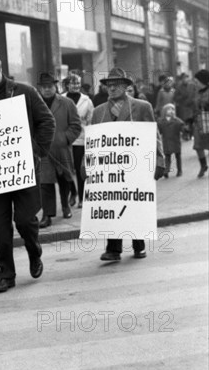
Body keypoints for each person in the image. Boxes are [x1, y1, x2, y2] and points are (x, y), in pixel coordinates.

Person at [0, 51, 55, 292]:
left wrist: (35, 151)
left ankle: (34, 252)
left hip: (24, 171)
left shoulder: (24, 91)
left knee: (25, 221)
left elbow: (47, 122)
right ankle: (6, 274)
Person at [92, 68, 164, 262]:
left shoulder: (142, 107)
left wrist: (159, 160)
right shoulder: (98, 112)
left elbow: (153, 136)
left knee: (134, 204)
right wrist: (86, 165)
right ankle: (113, 249)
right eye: (109, 85)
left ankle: (138, 245)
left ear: (126, 87)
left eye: (116, 85)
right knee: (112, 205)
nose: (112, 88)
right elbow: (93, 143)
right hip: (110, 169)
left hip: (136, 166)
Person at [37, 73, 82, 228]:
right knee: (45, 183)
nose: (47, 90)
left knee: (64, 179)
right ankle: (47, 215)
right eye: (44, 87)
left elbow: (76, 125)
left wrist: (65, 139)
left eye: (50, 87)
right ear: (40, 89)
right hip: (43, 152)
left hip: (62, 150)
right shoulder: (35, 104)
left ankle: (65, 206)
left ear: (55, 87)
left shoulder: (67, 103)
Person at [65, 72, 93, 209]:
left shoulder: (87, 100)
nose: (75, 86)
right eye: (72, 83)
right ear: (67, 84)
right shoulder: (61, 98)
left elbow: (90, 120)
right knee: (66, 169)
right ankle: (73, 192)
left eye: (77, 83)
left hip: (81, 140)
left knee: (80, 168)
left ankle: (82, 197)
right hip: (65, 140)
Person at [157, 103, 184, 177]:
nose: (171, 111)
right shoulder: (161, 121)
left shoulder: (177, 121)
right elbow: (159, 131)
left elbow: (182, 126)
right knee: (167, 157)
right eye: (169, 109)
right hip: (166, 141)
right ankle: (166, 170)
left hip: (175, 141)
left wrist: (184, 130)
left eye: (173, 109)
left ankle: (179, 170)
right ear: (164, 111)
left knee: (178, 156)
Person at [192, 69, 209, 178]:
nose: (195, 84)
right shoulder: (197, 92)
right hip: (199, 122)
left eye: (197, 82)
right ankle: (203, 165)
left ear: (203, 81)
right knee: (198, 145)